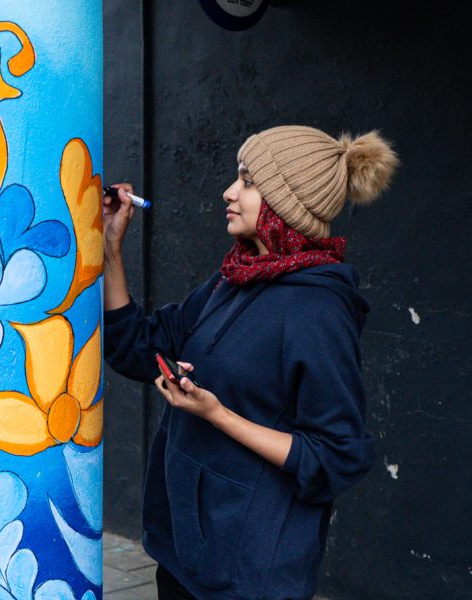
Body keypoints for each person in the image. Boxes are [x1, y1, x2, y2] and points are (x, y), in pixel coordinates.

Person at [102, 125, 398, 600]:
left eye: (248, 180)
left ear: (289, 201)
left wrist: (216, 414)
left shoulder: (318, 310)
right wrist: (110, 248)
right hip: (186, 554)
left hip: (250, 574)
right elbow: (138, 347)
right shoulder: (235, 278)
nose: (230, 191)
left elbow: (336, 456)